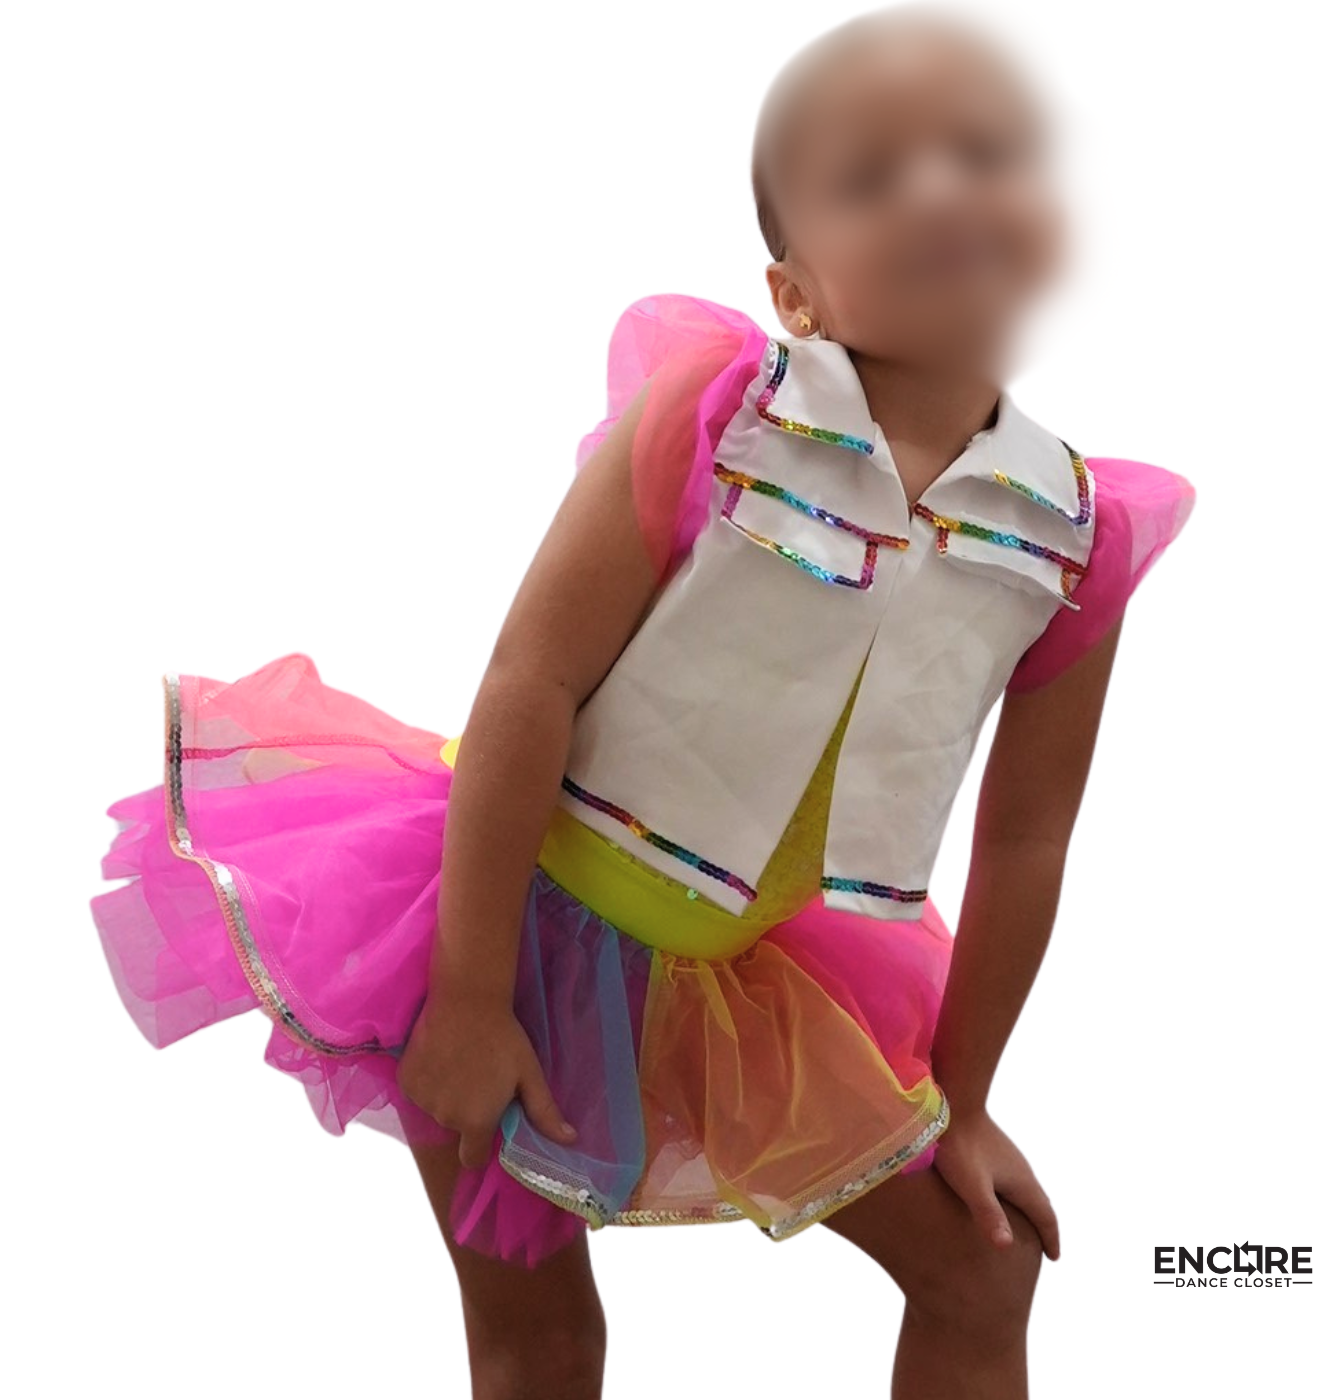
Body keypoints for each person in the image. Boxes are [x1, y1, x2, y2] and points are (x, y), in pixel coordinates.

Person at [89, 6, 1197, 1397]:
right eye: (873, 177)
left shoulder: (1074, 534)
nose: (939, 191)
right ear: (798, 293)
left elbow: (1027, 839)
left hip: (750, 970)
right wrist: (470, 1000)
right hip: (504, 915)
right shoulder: (722, 416)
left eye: (984, 157)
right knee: (546, 1343)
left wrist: (964, 1103)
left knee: (983, 1265)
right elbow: (532, 682)